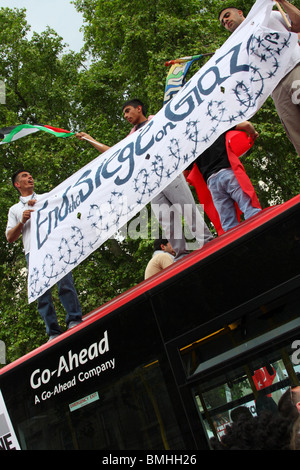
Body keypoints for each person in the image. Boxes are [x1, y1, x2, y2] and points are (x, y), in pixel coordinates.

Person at [76, 99, 213, 260]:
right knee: (166, 220)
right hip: (150, 183)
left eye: (128, 111)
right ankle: (181, 253)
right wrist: (89, 139)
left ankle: (206, 241)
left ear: (138, 108)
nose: (126, 116)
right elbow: (114, 154)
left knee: (187, 208)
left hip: (168, 171)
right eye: (124, 114)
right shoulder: (131, 137)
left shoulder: (157, 119)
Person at [5, 170, 83, 341]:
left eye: (31, 175)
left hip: (53, 245)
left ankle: (74, 319)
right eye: (24, 176)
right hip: (32, 252)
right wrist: (22, 221)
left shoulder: (47, 197)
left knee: (65, 283)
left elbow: (67, 202)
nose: (30, 177)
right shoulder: (15, 209)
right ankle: (53, 332)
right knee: (42, 293)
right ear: (17, 184)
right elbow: (10, 237)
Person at [218, 1, 300, 157]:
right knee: (295, 132)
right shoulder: (236, 47)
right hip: (276, 89)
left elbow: (298, 24)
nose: (225, 21)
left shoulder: (269, 16)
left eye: (227, 15)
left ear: (240, 12)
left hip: (294, 68)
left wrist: (281, 1)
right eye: (223, 22)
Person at [187, 121, 261, 232]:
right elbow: (247, 125)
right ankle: (263, 235)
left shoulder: (190, 143)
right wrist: (253, 133)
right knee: (250, 208)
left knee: (229, 224)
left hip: (212, 183)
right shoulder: (215, 124)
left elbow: (185, 173)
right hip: (228, 172)